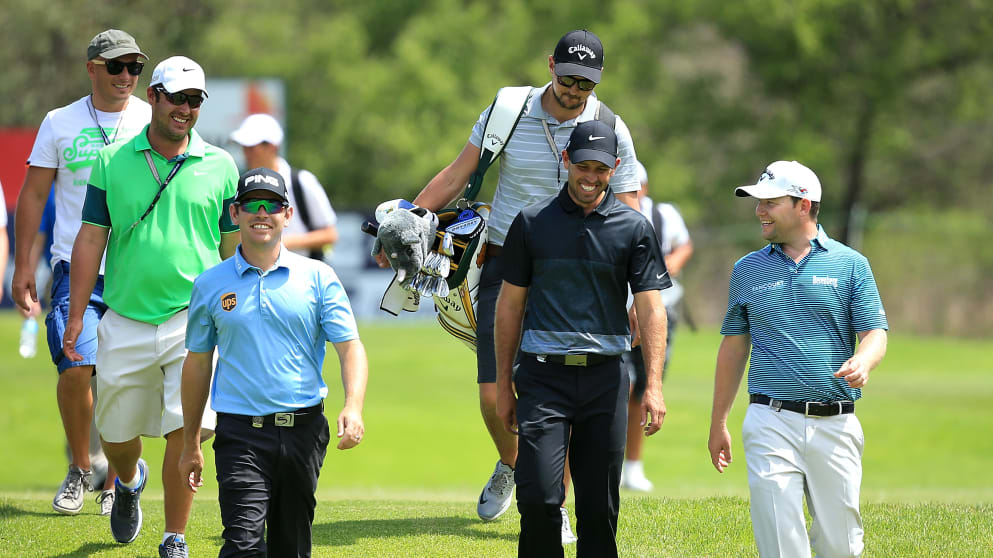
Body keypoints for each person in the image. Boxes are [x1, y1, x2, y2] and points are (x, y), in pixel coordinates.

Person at [406, 29, 642, 537]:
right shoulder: (508, 109)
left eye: (586, 81)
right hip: (506, 261)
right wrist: (408, 217)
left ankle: (551, 504)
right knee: (495, 395)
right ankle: (515, 464)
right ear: (550, 64)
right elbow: (457, 173)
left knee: (565, 392)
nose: (575, 89)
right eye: (568, 76)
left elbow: (629, 209)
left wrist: (632, 292)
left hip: (579, 275)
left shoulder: (608, 126)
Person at [64, 55, 240, 558]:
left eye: (194, 100)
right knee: (117, 435)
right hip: (124, 317)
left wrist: (238, 314)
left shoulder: (222, 165)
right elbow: (91, 238)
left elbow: (232, 251)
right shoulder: (112, 160)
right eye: (176, 98)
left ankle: (174, 536)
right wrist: (77, 315)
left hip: (195, 321)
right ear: (153, 98)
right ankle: (127, 479)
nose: (185, 109)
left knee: (186, 432)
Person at [495, 121, 669, 557]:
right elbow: (509, 307)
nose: (591, 177)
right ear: (565, 160)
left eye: (602, 168)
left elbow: (650, 308)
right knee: (537, 497)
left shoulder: (633, 227)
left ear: (616, 169)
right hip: (542, 378)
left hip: (606, 381)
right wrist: (502, 384)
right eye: (583, 166)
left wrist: (655, 385)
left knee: (598, 509)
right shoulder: (532, 222)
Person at [179, 167, 368, 557]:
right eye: (251, 204)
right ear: (235, 213)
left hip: (303, 431)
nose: (261, 213)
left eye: (272, 205)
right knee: (243, 545)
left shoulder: (318, 276)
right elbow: (197, 364)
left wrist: (353, 406)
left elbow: (350, 347)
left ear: (287, 214)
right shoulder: (210, 284)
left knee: (291, 547)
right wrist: (189, 442)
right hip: (239, 433)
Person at [708, 160, 889, 558]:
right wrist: (719, 421)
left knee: (840, 545)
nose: (759, 211)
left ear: (803, 204)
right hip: (770, 418)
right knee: (779, 542)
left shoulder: (850, 265)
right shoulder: (747, 269)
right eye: (759, 203)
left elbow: (875, 333)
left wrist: (864, 360)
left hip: (836, 422)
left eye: (770, 203)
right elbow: (735, 346)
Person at [12, 28, 152, 516]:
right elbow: (33, 195)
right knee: (76, 367)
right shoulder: (58, 121)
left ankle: (116, 483)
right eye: (116, 66)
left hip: (139, 268)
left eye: (135, 67)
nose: (126, 76)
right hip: (75, 266)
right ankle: (79, 467)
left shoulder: (153, 120)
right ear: (92, 68)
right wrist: (23, 264)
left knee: (119, 377)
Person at [619, 162, 694, 492]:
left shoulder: (663, 215)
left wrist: (673, 263)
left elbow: (684, 245)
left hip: (658, 312)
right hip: (616, 314)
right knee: (618, 387)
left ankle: (633, 466)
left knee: (646, 387)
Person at [229, 113, 338, 260]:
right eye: (244, 146)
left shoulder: (302, 181)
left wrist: (278, 242)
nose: (246, 152)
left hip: (302, 275)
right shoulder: (241, 184)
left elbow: (330, 234)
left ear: (273, 146)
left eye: (252, 146)